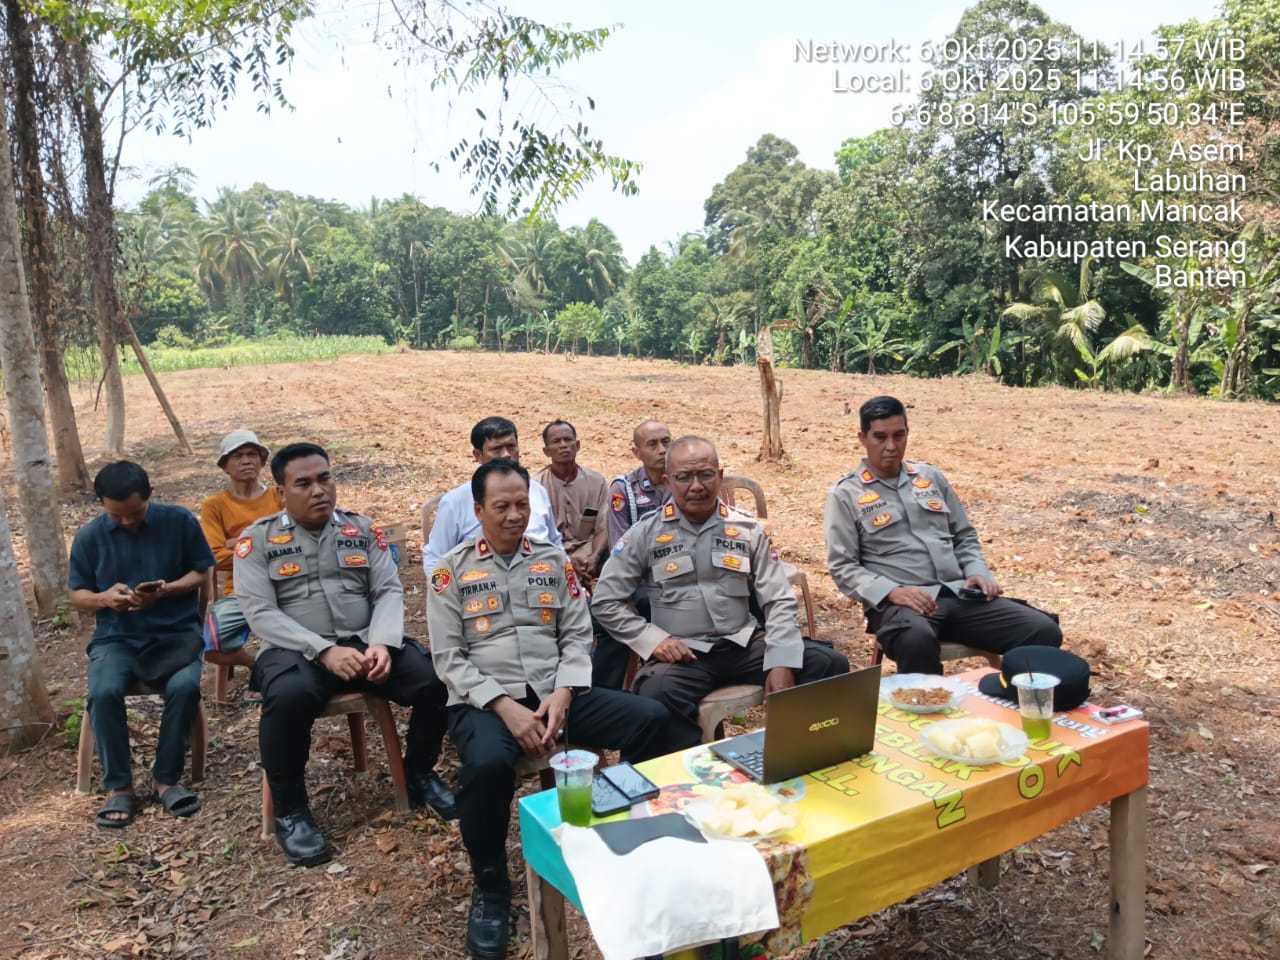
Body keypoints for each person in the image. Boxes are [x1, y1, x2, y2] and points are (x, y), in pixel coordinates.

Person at [428, 458, 685, 960]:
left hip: (557, 692)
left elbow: (577, 634)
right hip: (485, 700)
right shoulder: (450, 571)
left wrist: (566, 691)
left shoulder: (551, 560)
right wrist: (505, 707)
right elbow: (448, 658)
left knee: (652, 720)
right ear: (478, 510)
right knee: (486, 765)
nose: (513, 516)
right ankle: (491, 886)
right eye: (500, 507)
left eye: (521, 505)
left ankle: (625, 830)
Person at [235, 442, 456, 868]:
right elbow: (259, 612)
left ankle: (419, 772)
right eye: (304, 483)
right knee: (289, 696)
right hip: (297, 650)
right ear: (281, 492)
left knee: (435, 680)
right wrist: (323, 651)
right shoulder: (256, 540)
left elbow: (387, 590)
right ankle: (291, 810)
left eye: (325, 479)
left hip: (365, 642)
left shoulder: (362, 530)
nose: (319, 490)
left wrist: (383, 643)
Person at [593, 436, 849, 747]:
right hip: (683, 655)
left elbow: (779, 598)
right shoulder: (645, 534)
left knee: (828, 664)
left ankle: (800, 752)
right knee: (657, 693)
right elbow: (606, 601)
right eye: (684, 477)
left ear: (720, 476)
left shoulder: (747, 529)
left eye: (706, 474)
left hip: (744, 645)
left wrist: (781, 660)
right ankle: (692, 770)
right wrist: (652, 640)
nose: (696, 486)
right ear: (668, 481)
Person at [824, 396, 1063, 675]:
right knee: (915, 640)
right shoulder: (846, 494)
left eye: (898, 435)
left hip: (957, 594)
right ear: (862, 438)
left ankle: (1009, 695)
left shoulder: (929, 477)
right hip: (901, 604)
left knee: (1042, 631)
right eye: (880, 437)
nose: (891, 446)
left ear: (907, 433)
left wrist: (977, 572)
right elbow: (843, 566)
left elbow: (963, 535)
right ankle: (927, 702)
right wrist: (892, 592)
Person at [68, 461, 215, 828]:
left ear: (150, 494)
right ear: (101, 503)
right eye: (116, 515)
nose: (127, 521)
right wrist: (104, 598)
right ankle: (120, 786)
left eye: (135, 512)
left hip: (176, 634)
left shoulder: (179, 522)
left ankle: (166, 780)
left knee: (184, 687)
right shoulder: (89, 537)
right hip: (116, 637)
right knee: (103, 692)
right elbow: (77, 595)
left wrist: (167, 590)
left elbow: (202, 572)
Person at [199, 429, 283, 701]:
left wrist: (239, 542)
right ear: (225, 466)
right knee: (208, 645)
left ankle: (271, 675)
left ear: (262, 461)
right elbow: (214, 558)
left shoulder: (279, 496)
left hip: (286, 582)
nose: (246, 461)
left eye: (252, 455)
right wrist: (266, 543)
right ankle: (256, 663)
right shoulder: (214, 506)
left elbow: (295, 543)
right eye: (237, 456)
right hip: (241, 590)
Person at [422, 416, 563, 572]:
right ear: (477, 455)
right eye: (496, 449)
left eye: (511, 446)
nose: (506, 455)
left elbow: (555, 543)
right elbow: (435, 558)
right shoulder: (455, 503)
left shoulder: (538, 492)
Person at [533, 419, 608, 586]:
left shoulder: (597, 482)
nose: (563, 445)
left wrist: (594, 557)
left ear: (577, 445)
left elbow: (604, 527)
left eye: (568, 440)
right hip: (553, 555)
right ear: (546, 451)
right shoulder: (536, 487)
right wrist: (565, 562)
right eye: (556, 441)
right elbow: (537, 538)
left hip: (590, 553)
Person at [605, 419, 672, 546]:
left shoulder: (687, 483)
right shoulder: (624, 489)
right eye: (652, 444)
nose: (662, 450)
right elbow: (619, 545)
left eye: (666, 442)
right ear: (637, 453)